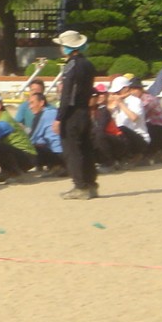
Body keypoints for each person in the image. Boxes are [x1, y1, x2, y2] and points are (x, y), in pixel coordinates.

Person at [54, 30, 98, 199]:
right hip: (85, 110)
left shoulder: (71, 65)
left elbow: (67, 95)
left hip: (72, 113)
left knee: (72, 150)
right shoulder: (88, 64)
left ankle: (80, 186)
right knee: (86, 148)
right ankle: (91, 184)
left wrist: (59, 117)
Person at [0, 91, 37, 181]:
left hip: (28, 157)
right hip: (20, 155)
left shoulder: (5, 121)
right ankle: (6, 171)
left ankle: (15, 174)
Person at [107, 76, 150, 163]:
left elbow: (134, 118)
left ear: (126, 88)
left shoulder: (135, 101)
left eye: (118, 91)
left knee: (122, 128)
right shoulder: (115, 103)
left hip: (139, 138)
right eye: (114, 92)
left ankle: (137, 156)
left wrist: (121, 104)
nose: (116, 94)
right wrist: (109, 106)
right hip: (123, 137)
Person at [26, 91, 63, 171]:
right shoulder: (54, 111)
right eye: (29, 104)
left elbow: (31, 139)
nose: (30, 107)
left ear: (41, 103)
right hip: (65, 151)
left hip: (57, 154)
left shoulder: (41, 115)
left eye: (32, 103)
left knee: (30, 148)